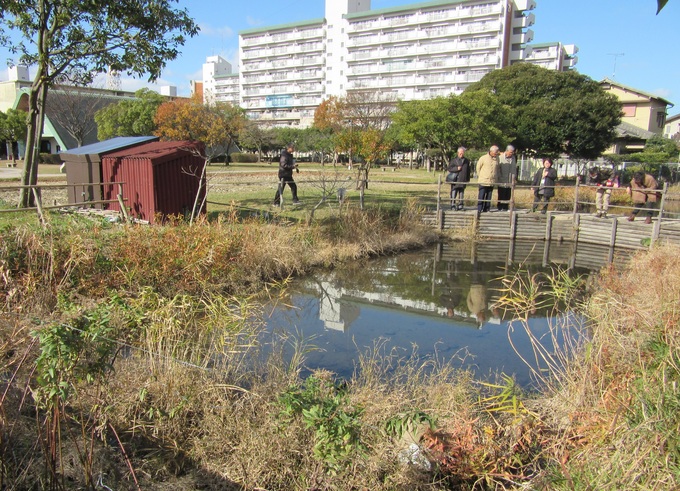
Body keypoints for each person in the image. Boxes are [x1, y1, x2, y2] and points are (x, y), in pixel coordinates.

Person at [476, 145, 499, 213]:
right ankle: (479, 209)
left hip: (492, 181)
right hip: (483, 180)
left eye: (496, 153)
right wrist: (481, 176)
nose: (496, 154)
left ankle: (487, 208)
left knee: (489, 196)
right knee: (481, 195)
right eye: (495, 152)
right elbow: (478, 167)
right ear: (491, 151)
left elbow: (497, 168)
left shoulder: (497, 158)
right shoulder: (483, 158)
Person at [496, 145, 516, 211]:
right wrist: (499, 176)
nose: (511, 153)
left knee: (508, 194)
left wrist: (514, 178)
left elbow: (514, 169)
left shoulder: (513, 158)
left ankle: (505, 207)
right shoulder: (500, 158)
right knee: (501, 194)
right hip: (502, 179)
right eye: (510, 152)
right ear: (506, 151)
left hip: (510, 180)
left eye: (512, 152)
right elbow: (498, 169)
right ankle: (500, 207)